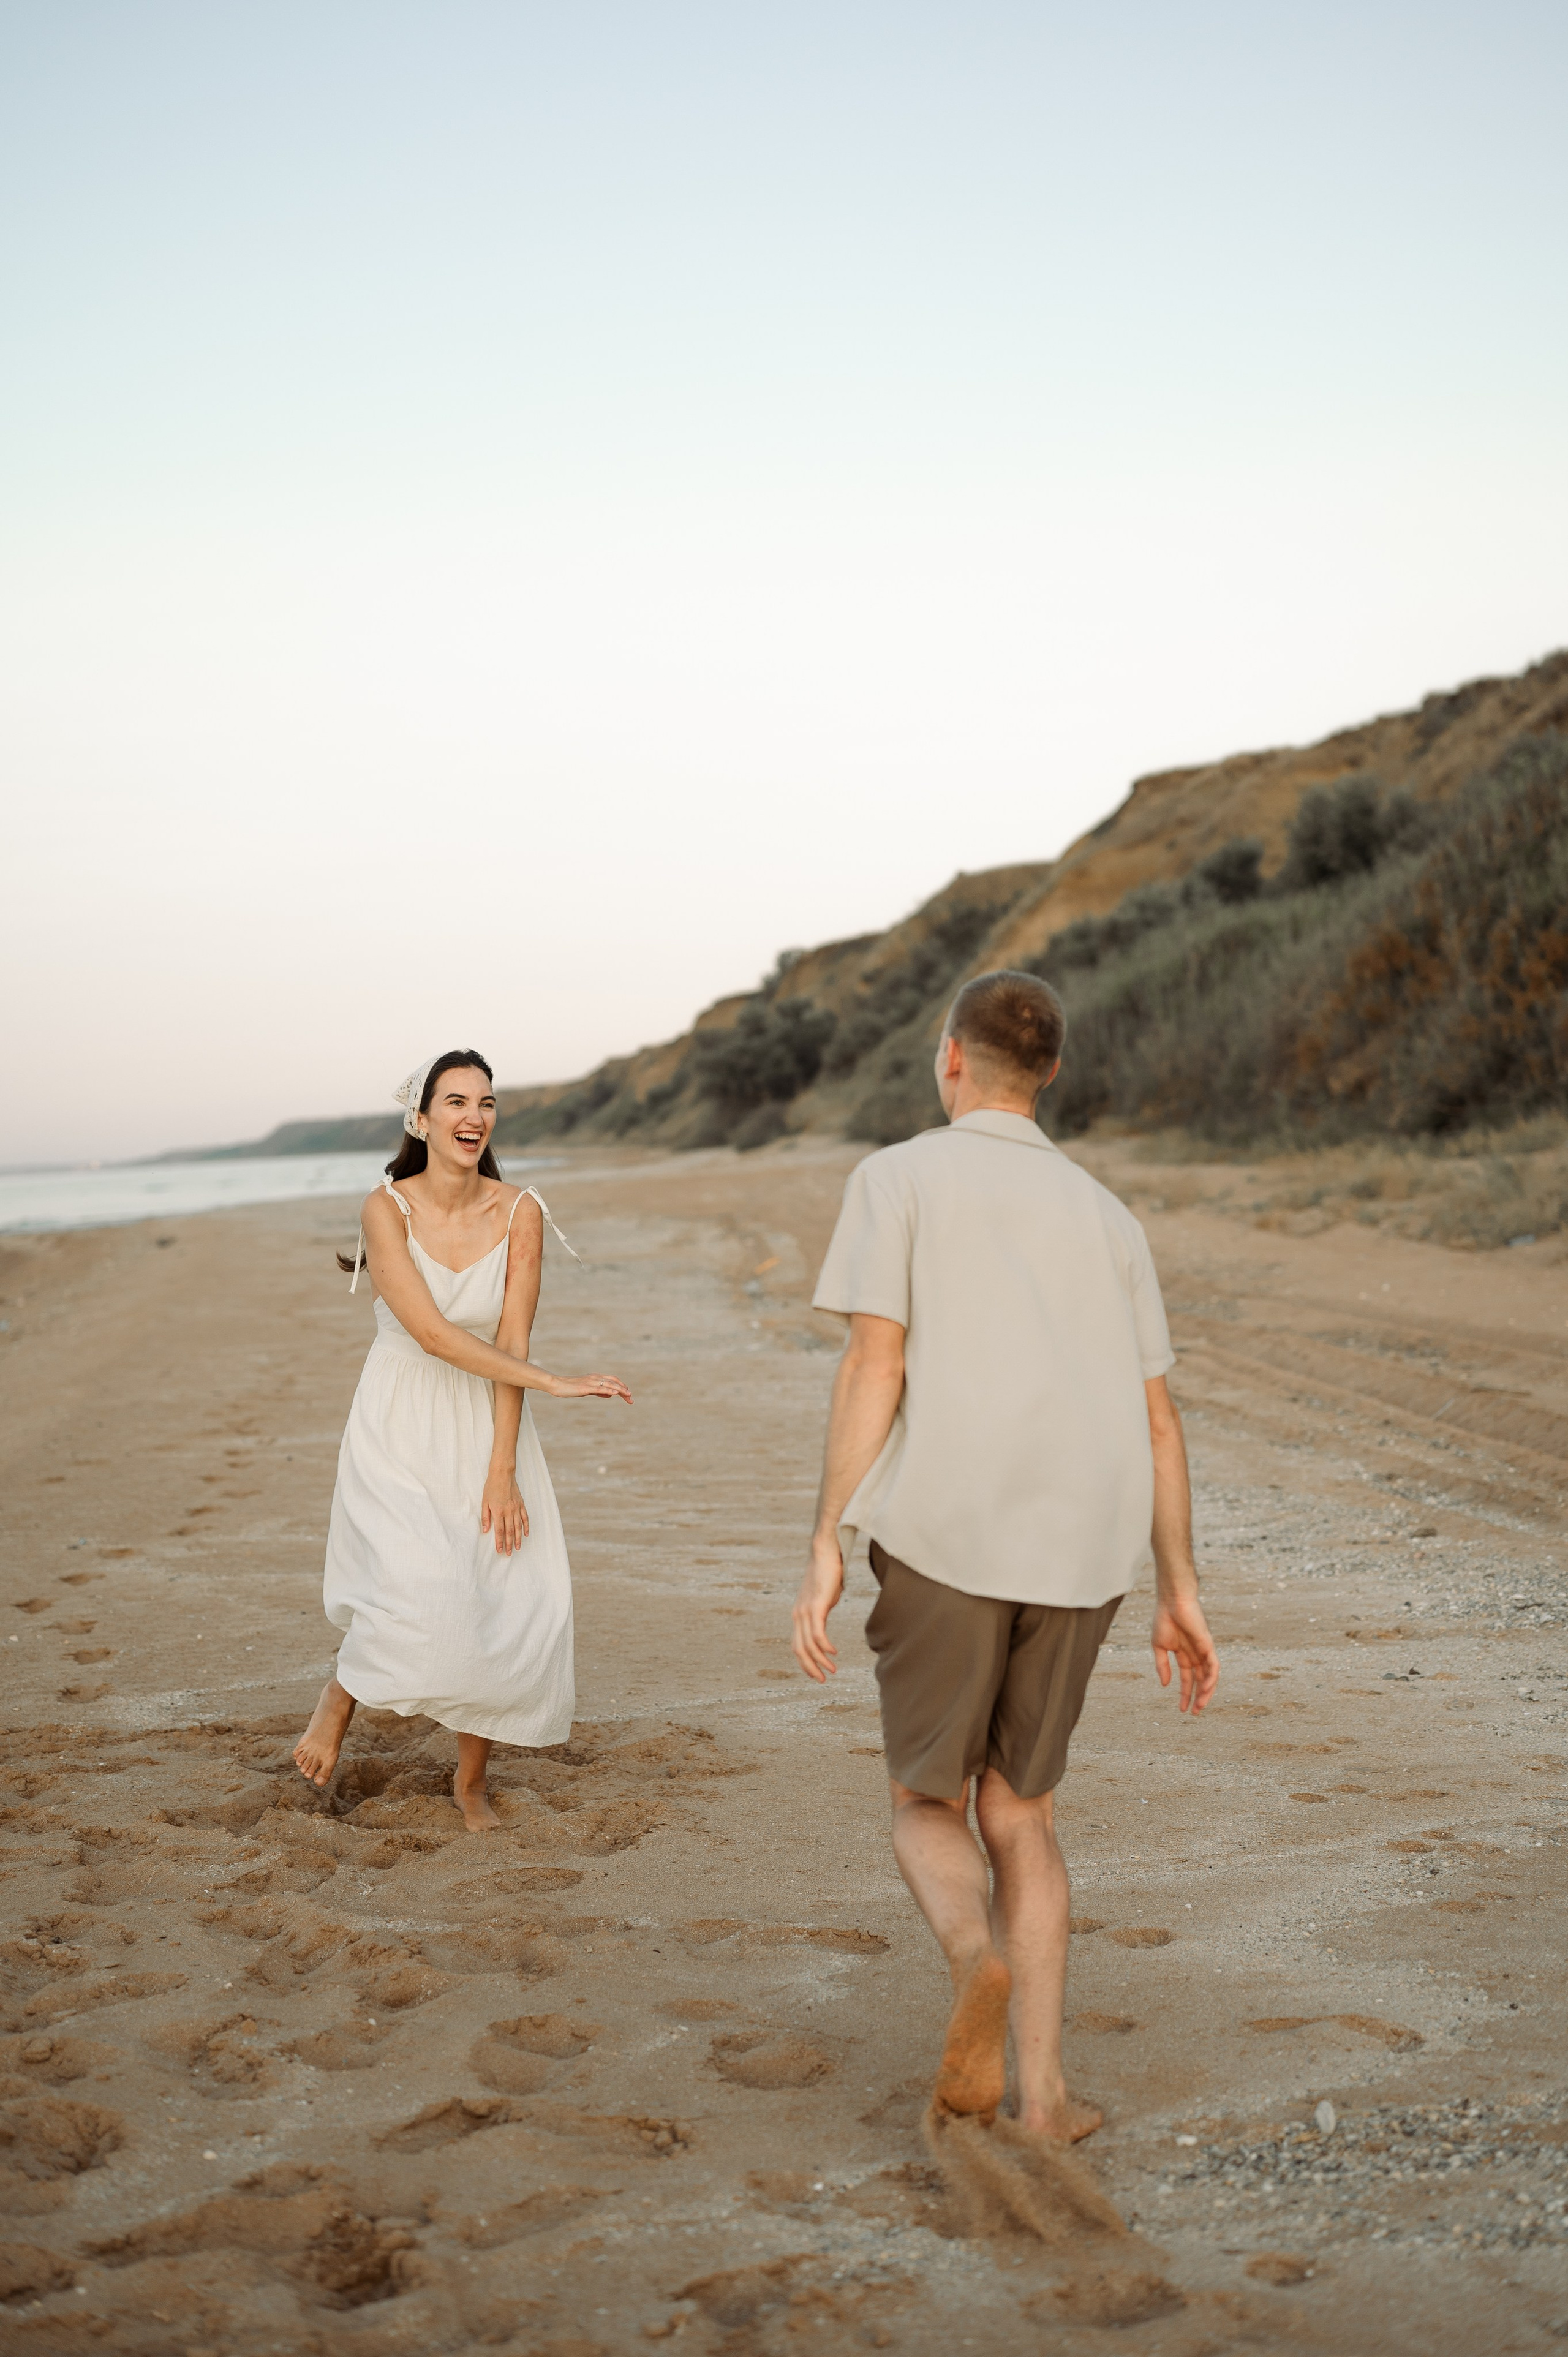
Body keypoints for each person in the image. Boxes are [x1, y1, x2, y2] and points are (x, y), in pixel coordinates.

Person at [792, 971, 1218, 2140]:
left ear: (950, 1058)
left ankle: (977, 1957)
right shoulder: (1108, 1216)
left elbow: (876, 1367)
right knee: (1022, 1812)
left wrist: (826, 1537)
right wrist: (1179, 1590)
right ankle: (1048, 2097)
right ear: (1052, 1075)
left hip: (948, 1531)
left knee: (925, 1799)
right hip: (1087, 1551)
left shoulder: (898, 1176)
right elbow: (1161, 1419)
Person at [293, 1049, 631, 1828]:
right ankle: (341, 1694)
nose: (473, 1116)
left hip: (489, 1416)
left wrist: (502, 1467)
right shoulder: (386, 1209)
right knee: (415, 1581)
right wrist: (553, 1380)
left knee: (499, 1592)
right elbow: (432, 1334)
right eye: (454, 1101)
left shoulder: (521, 1212)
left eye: (484, 1101)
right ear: (421, 1119)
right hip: (401, 1414)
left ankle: (470, 1780)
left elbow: (511, 1339)